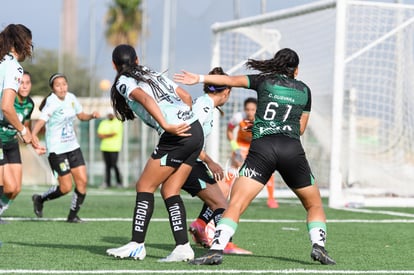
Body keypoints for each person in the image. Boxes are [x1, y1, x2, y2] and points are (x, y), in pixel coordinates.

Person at [174, 48, 336, 265]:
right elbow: (300, 129)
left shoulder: (264, 81)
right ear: (296, 70)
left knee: (236, 203)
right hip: (291, 151)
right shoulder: (305, 91)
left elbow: (229, 79)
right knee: (314, 204)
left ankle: (216, 249)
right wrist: (272, 125)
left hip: (263, 150)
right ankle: (319, 247)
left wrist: (199, 78)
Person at [105, 44, 204, 262]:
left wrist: (167, 126)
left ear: (114, 65)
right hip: (195, 129)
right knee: (170, 190)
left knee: (144, 186)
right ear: (137, 59)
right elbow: (186, 96)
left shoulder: (124, 81)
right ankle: (183, 247)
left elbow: (145, 99)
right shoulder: (151, 73)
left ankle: (136, 244)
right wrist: (183, 118)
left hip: (176, 134)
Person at [182, 67, 251, 255]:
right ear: (227, 90)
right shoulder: (204, 106)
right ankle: (225, 243)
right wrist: (210, 161)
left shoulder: (208, 106)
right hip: (186, 162)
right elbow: (188, 137)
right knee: (223, 204)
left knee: (222, 186)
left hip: (190, 160)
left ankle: (200, 224)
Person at [31, 73, 100, 223]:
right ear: (53, 88)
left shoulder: (71, 98)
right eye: (58, 85)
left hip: (73, 146)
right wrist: (33, 135)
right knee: (65, 187)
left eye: (64, 84)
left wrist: (91, 116)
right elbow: (42, 120)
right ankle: (40, 199)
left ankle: (72, 216)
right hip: (57, 150)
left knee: (82, 182)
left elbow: (81, 116)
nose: (62, 88)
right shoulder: (52, 102)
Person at [0, 24, 34, 224]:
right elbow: (6, 107)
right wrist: (22, 130)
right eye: (29, 43)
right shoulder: (13, 66)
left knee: (12, 187)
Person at [0, 72, 44, 222]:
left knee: (16, 189)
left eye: (28, 82)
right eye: (21, 82)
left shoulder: (29, 104)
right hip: (0, 142)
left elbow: (25, 128)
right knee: (9, 186)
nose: (24, 86)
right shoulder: (6, 100)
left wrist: (35, 144)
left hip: (12, 145)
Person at [226, 97, 279, 208]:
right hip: (241, 144)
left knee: (268, 168)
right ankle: (223, 195)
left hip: (257, 144)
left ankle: (271, 198)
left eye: (253, 109)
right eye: (247, 109)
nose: (250, 112)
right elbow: (229, 130)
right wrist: (235, 147)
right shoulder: (238, 118)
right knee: (235, 165)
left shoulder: (264, 119)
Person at [97, 110, 123, 188]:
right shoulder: (103, 123)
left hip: (115, 148)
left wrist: (105, 135)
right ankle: (107, 183)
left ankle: (119, 182)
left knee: (114, 165)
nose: (110, 115)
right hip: (105, 147)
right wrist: (108, 135)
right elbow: (100, 135)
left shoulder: (118, 122)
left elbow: (114, 133)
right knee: (107, 166)